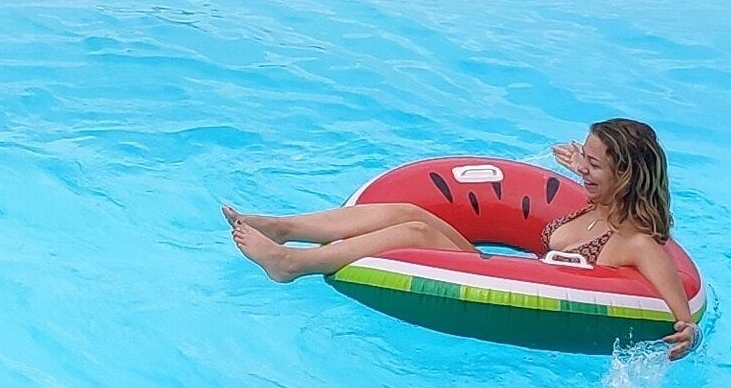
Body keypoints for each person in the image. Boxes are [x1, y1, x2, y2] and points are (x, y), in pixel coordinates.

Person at [228, 118, 702, 357]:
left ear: (624, 175)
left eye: (594, 164)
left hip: (505, 281)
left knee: (413, 229)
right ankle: (284, 226)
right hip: (489, 263)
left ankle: (290, 264)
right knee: (409, 209)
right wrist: (580, 165)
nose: (582, 167)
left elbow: (678, 305)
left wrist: (688, 329)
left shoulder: (636, 241)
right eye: (585, 159)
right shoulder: (592, 201)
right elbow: (586, 179)